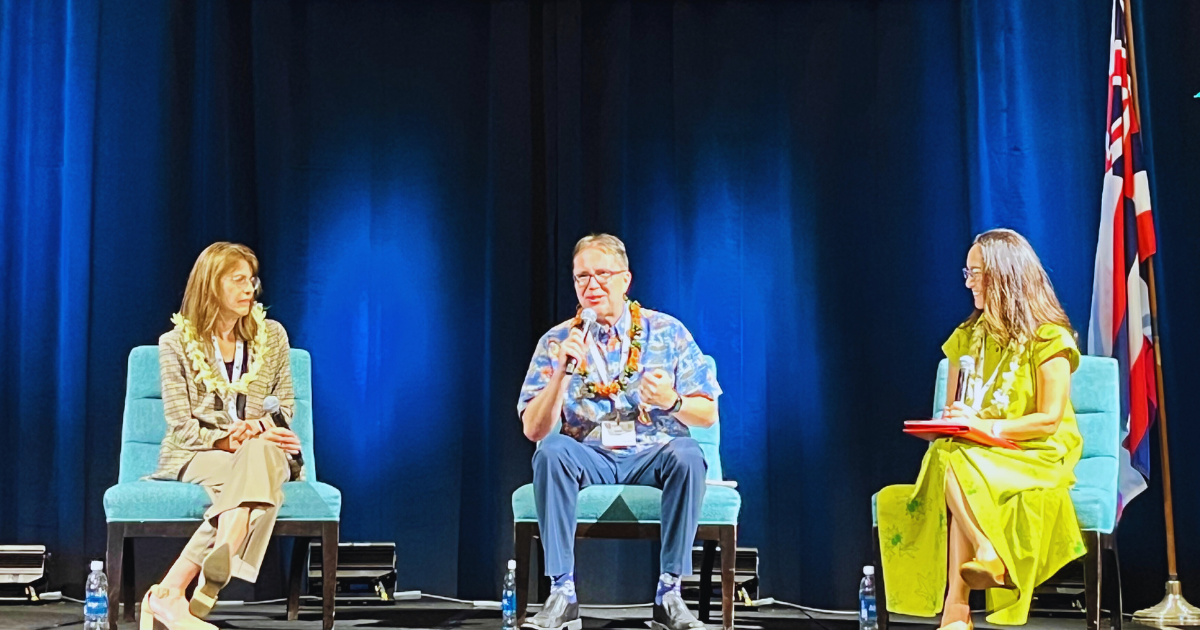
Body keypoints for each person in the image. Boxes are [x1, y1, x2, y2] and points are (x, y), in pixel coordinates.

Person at [876, 229, 1086, 629]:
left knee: (951, 460)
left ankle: (956, 608)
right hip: (976, 449)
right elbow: (955, 406)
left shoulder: (1049, 339)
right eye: (967, 272)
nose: (969, 281)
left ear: (1004, 276)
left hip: (1034, 453)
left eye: (977, 273)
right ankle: (985, 555)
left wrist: (983, 425)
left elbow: (1049, 419)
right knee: (946, 451)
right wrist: (952, 423)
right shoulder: (966, 338)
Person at [518, 234, 722, 630]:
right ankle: (562, 593)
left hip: (652, 453)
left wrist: (672, 401)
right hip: (589, 455)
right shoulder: (558, 340)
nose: (591, 286)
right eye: (581, 278)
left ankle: (670, 593)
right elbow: (533, 429)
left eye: (601, 275)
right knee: (551, 451)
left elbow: (708, 413)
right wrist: (562, 371)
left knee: (688, 453)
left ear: (625, 280)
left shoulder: (668, 332)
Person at [142, 242, 302, 630]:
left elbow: (285, 407)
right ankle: (209, 569)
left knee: (260, 454)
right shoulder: (175, 344)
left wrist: (262, 428)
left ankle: (167, 592)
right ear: (212, 286)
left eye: (252, 280)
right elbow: (181, 423)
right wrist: (226, 440)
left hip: (264, 446)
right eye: (238, 281)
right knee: (253, 477)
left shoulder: (273, 336)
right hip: (200, 450)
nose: (250, 289)